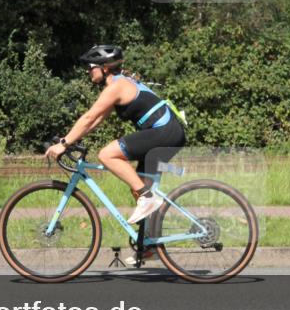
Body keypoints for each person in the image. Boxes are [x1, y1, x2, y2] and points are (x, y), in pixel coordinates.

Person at [44, 44, 186, 231]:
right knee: (139, 187)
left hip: (165, 132)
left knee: (107, 155)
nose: (88, 71)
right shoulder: (119, 83)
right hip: (168, 133)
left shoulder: (117, 87)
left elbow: (88, 117)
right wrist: (70, 139)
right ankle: (151, 245)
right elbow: (95, 121)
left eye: (90, 67)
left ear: (104, 67)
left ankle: (148, 198)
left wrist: (64, 143)